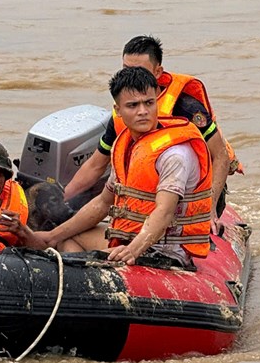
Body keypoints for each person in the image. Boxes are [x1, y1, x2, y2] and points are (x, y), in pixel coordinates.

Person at [33, 66, 212, 268]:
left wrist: (131, 250)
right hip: (131, 238)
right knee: (67, 238)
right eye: (133, 105)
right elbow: (103, 203)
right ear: (118, 110)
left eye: (149, 103)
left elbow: (164, 212)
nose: (143, 111)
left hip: (165, 251)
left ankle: (87, 279)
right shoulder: (125, 146)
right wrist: (51, 236)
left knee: (74, 256)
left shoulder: (174, 154)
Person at [62, 35, 241, 230]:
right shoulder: (122, 114)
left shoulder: (187, 108)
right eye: (126, 69)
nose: (132, 77)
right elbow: (96, 165)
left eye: (139, 70)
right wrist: (62, 199)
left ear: (158, 72)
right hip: (150, 190)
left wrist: (210, 209)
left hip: (194, 190)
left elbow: (220, 156)